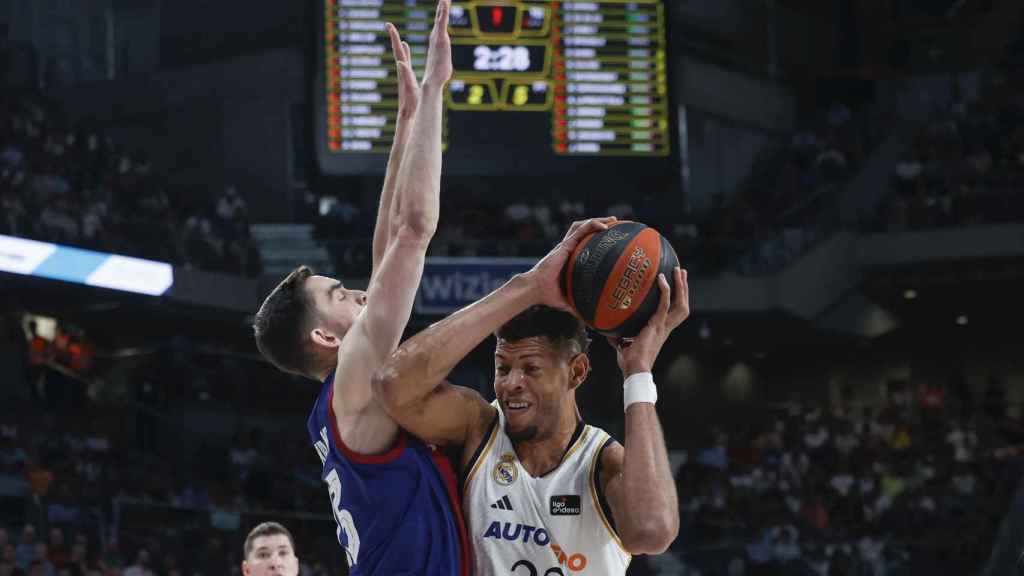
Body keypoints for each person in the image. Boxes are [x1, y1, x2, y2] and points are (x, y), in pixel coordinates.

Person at [251, 2, 467, 574]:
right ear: (324, 334)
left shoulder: (345, 391)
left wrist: (407, 121)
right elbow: (415, 231)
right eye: (339, 295)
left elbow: (390, 246)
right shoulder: (353, 378)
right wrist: (438, 90)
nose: (358, 294)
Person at [373, 217, 687, 574]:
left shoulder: (602, 461)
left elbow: (651, 533)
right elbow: (393, 384)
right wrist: (529, 285)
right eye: (503, 368)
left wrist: (638, 373)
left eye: (531, 369)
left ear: (577, 372)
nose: (511, 384)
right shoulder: (478, 427)